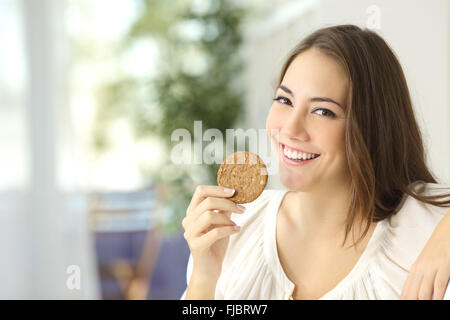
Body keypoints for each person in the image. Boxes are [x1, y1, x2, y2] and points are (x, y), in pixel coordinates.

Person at [180, 25, 450, 300]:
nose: (290, 130)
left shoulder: (430, 227)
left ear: (372, 126)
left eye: (323, 111)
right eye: (284, 99)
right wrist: (204, 278)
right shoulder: (237, 228)